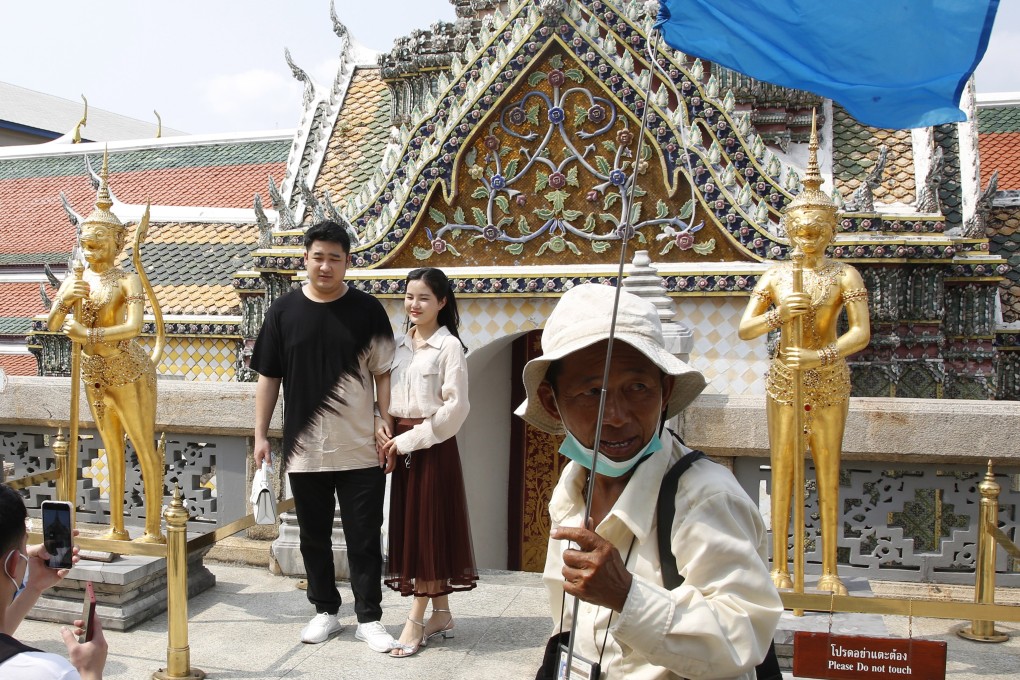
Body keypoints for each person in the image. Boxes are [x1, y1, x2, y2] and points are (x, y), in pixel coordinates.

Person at [516, 284, 782, 679]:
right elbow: (569, 621)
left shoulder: (705, 497)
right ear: (553, 401)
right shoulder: (571, 490)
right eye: (592, 392)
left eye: (637, 388)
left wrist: (627, 594)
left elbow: (743, 637)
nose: (618, 416)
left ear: (665, 389)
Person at [250, 220, 397, 651]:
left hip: (360, 446)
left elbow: (384, 373)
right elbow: (268, 378)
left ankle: (369, 616)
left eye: (335, 258)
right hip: (304, 448)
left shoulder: (368, 311)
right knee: (312, 535)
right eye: (319, 257)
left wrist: (384, 421)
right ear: (305, 260)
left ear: (348, 262)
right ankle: (326, 611)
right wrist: (261, 435)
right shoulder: (282, 313)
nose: (326, 265)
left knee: (365, 535)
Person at [737, 120, 870, 595]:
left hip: (828, 378)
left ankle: (829, 570)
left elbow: (860, 333)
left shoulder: (845, 275)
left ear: (831, 229)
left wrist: (822, 357)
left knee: (828, 473)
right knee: (785, 470)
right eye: (800, 228)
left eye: (817, 229)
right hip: (783, 380)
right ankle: (779, 567)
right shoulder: (775, 275)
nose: (807, 236)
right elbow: (745, 328)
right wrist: (777, 317)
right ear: (789, 229)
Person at [46, 166, 165, 544]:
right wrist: (63, 303)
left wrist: (88, 332)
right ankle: (117, 527)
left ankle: (151, 530)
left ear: (117, 243)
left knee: (143, 447)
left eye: (97, 244)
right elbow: (51, 327)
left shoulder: (126, 280)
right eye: (84, 244)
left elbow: (134, 328)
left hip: (128, 370)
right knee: (109, 449)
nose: (89, 251)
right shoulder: (77, 280)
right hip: (92, 373)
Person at [375, 268, 478, 658]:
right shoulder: (399, 345)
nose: (413, 305)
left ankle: (415, 620)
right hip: (400, 448)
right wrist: (383, 430)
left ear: (442, 302)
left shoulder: (449, 347)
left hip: (431, 448)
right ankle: (443, 614)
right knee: (417, 529)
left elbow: (456, 409)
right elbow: (385, 395)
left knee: (426, 532)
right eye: (408, 296)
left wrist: (409, 441)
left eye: (423, 298)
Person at [0, 484, 108, 679]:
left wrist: (33, 586)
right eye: (26, 545)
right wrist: (90, 671)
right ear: (13, 563)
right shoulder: (47, 672)